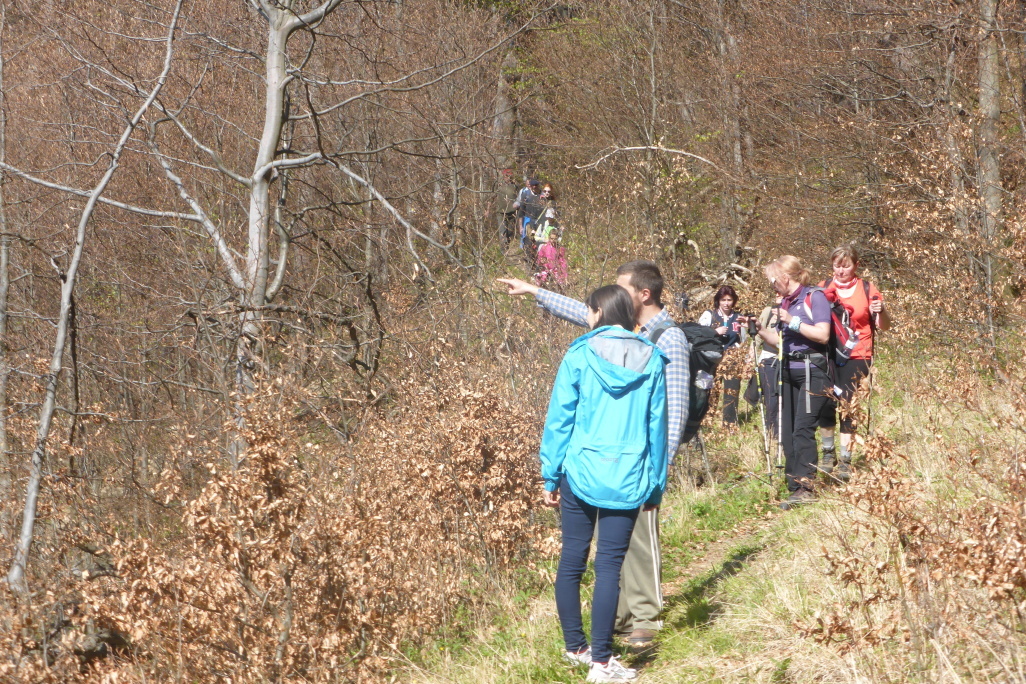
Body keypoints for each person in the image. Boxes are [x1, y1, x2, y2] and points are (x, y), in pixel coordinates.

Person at [498, 260, 689, 649]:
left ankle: (643, 619)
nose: (616, 293)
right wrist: (536, 291)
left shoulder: (667, 339)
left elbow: (673, 413)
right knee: (612, 558)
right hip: (613, 465)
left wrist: (658, 473)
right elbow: (588, 314)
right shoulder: (628, 336)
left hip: (634, 466)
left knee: (635, 548)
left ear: (643, 295)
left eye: (622, 288)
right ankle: (615, 623)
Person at [540, 284, 667, 683]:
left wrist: (550, 474)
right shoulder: (652, 358)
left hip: (580, 470)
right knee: (609, 565)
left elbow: (559, 419)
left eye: (589, 310)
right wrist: (656, 486)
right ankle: (601, 662)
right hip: (628, 475)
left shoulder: (579, 355)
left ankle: (576, 647)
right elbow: (657, 429)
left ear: (598, 312)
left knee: (572, 559)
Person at [753, 255, 831, 509]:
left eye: (772, 280)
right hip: (786, 370)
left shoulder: (814, 297)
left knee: (803, 429)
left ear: (785, 277)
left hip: (812, 370)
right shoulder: (786, 302)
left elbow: (823, 334)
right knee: (786, 431)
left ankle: (807, 486)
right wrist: (759, 329)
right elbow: (780, 341)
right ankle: (794, 485)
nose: (772, 285)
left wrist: (790, 320)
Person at [817, 245, 890, 481]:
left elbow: (884, 326)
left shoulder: (867, 288)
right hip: (828, 353)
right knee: (826, 401)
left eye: (846, 266)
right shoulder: (822, 287)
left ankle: (845, 459)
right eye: (837, 265)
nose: (841, 270)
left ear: (856, 266)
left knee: (848, 404)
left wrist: (882, 311)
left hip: (858, 353)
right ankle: (828, 452)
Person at [698, 285, 746, 425]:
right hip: (710, 358)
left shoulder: (738, 317)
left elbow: (743, 339)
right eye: (723, 300)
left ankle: (729, 424)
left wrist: (740, 353)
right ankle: (705, 422)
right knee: (707, 390)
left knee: (731, 391)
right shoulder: (709, 315)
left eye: (729, 300)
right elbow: (698, 335)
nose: (726, 303)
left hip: (732, 358)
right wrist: (714, 332)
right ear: (718, 300)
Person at [755, 296, 782, 439]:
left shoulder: (795, 311)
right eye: (776, 292)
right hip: (768, 360)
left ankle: (784, 430)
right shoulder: (768, 311)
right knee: (771, 398)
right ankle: (772, 432)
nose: (778, 295)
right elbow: (758, 335)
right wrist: (751, 356)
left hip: (788, 360)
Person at [514, 178, 544, 252]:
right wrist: (520, 226)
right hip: (528, 220)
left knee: (538, 239)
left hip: (539, 220)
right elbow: (521, 211)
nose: (534, 187)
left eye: (536, 185)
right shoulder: (525, 195)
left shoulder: (542, 195)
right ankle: (528, 254)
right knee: (528, 240)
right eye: (533, 185)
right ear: (530, 186)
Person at [495, 169, 519, 246]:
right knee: (502, 231)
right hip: (501, 212)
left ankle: (508, 245)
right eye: (506, 176)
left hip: (512, 212)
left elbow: (519, 197)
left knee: (510, 231)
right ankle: (503, 249)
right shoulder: (499, 185)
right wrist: (487, 210)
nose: (508, 177)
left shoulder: (515, 186)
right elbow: (492, 197)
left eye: (509, 176)